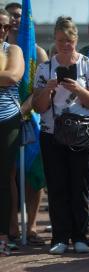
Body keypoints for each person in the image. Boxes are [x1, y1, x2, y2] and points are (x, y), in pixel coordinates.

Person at [32, 16, 89, 254]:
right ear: (55, 39)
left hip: (82, 135)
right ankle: (59, 238)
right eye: (61, 40)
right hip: (52, 134)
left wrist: (79, 89)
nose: (66, 45)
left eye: (70, 40)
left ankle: (80, 236)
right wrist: (49, 90)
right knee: (57, 187)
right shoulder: (44, 68)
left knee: (81, 186)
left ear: (76, 40)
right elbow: (39, 108)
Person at [5, 1, 49, 247]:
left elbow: (40, 87)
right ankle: (12, 224)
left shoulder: (38, 52)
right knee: (9, 175)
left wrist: (25, 109)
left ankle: (31, 226)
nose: (15, 19)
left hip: (31, 118)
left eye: (20, 15)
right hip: (6, 119)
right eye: (12, 15)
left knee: (34, 176)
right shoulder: (3, 50)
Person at [0, 8, 24, 256]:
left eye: (6, 27)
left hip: (6, 120)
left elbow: (13, 76)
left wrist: (6, 76)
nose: (2, 31)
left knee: (4, 180)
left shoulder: (13, 50)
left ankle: (3, 236)